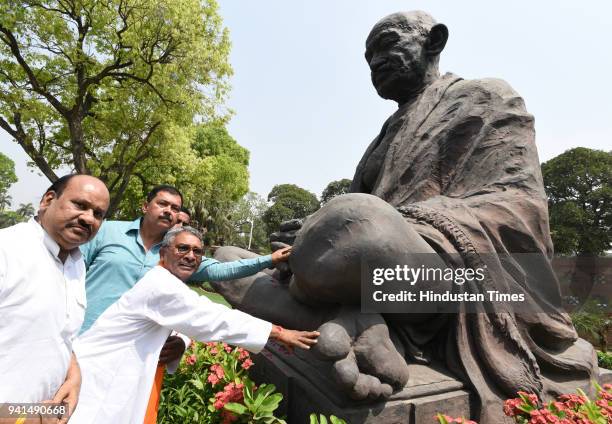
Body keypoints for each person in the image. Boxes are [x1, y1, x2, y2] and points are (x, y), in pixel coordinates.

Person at [208, 11, 598, 423]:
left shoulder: (488, 98)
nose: (375, 62)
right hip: (366, 271)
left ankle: (351, 318)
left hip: (440, 271)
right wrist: (307, 231)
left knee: (359, 220)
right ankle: (350, 323)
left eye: (386, 45)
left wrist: (378, 222)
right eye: (367, 57)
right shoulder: (386, 133)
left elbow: (518, 204)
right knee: (228, 260)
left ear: (434, 41)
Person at [70, 226, 318, 424]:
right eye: (182, 249)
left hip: (118, 378)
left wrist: (182, 341)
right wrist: (279, 333)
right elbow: (211, 315)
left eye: (197, 252)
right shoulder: (161, 286)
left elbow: (183, 318)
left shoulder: (167, 283)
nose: (190, 256)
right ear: (163, 253)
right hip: (94, 379)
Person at [0, 174, 110, 421]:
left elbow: (57, 332)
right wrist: (20, 417)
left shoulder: (75, 263)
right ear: (48, 200)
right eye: (80, 205)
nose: (88, 218)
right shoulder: (7, 250)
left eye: (98, 214)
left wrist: (73, 373)